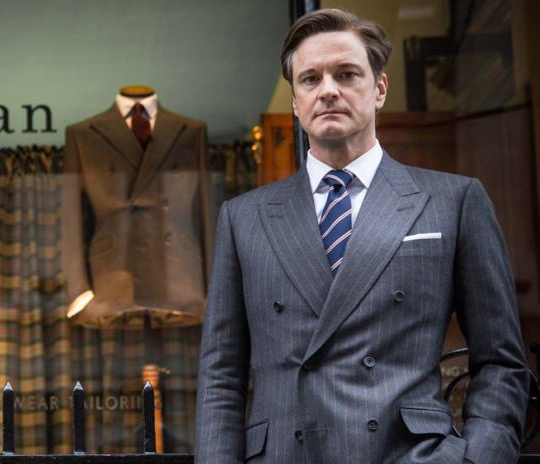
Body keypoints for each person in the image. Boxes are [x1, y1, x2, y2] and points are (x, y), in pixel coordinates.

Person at [194, 8, 529, 464]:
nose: (328, 90)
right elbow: (221, 377)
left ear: (380, 89)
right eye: (310, 79)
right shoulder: (243, 218)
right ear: (295, 101)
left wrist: (477, 460)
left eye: (347, 74)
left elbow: (501, 362)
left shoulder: (453, 201)